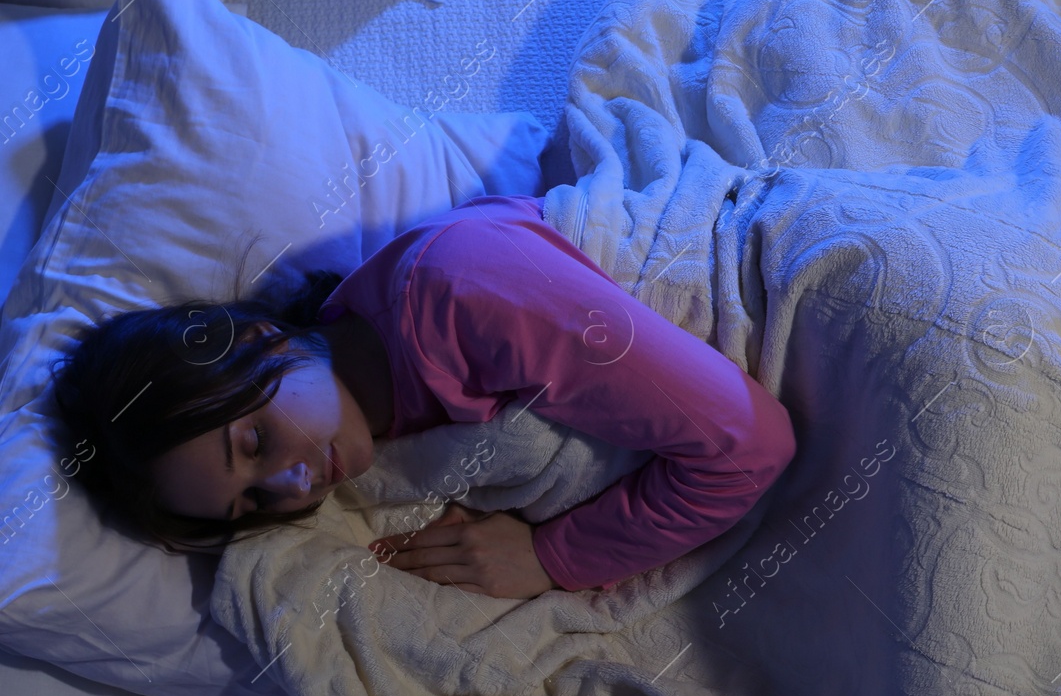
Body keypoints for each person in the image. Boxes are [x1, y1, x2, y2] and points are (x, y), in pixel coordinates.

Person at [48, 194, 797, 599]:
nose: (293, 484)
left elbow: (752, 445)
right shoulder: (377, 424)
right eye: (251, 503)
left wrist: (551, 557)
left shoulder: (464, 291)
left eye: (253, 443)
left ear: (253, 341)